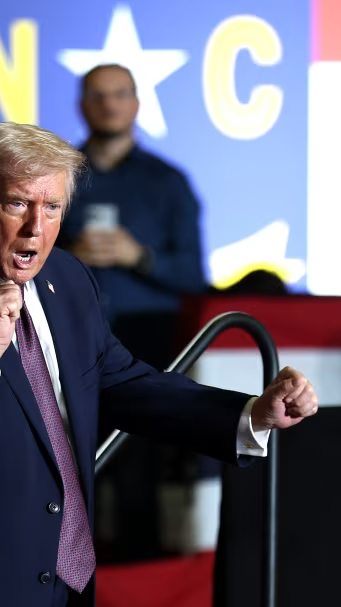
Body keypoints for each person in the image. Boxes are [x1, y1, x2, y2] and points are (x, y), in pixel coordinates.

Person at [0, 122, 318, 607]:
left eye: (53, 207)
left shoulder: (68, 277)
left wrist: (251, 414)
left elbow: (120, 380)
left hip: (51, 586)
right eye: (17, 203)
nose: (35, 229)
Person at [58, 63, 210, 562]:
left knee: (137, 466)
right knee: (65, 464)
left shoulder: (169, 183)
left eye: (120, 94)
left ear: (137, 102)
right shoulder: (58, 176)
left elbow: (194, 276)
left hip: (147, 340)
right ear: (82, 105)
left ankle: (137, 581)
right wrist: (62, 255)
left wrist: (138, 256)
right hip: (67, 335)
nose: (110, 104)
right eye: (99, 95)